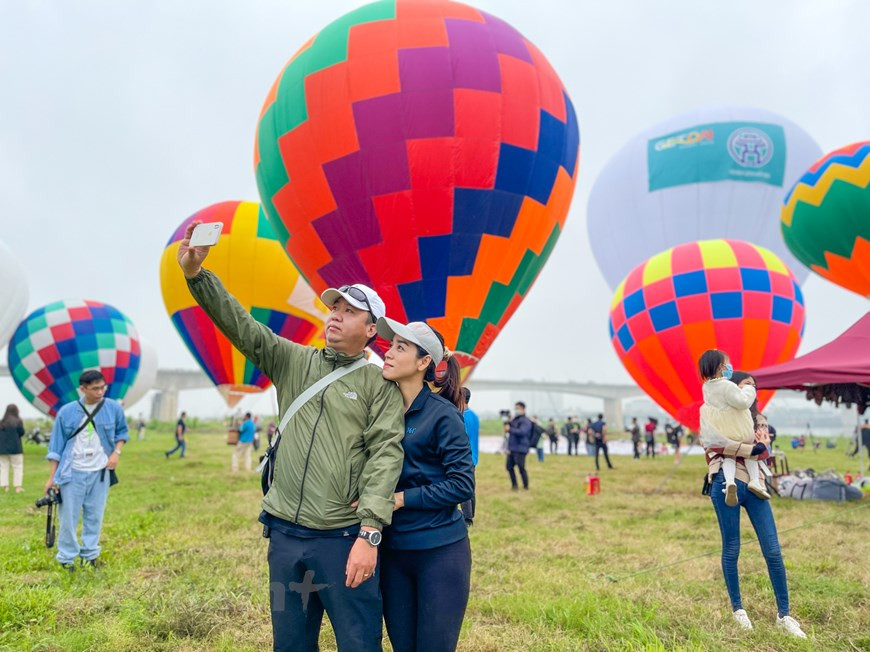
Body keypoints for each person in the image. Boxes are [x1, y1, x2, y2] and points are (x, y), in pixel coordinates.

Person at [177, 223, 404, 652]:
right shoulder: (292, 360)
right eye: (334, 307)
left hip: (341, 538)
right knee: (290, 644)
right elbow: (240, 325)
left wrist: (369, 534)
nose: (335, 314)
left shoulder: (379, 384)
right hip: (284, 535)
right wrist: (197, 276)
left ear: (373, 329)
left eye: (350, 311)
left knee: (358, 642)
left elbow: (385, 457)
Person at [376, 317, 474, 652]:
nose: (389, 353)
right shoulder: (381, 410)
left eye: (400, 347)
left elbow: (463, 484)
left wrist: (403, 499)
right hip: (391, 551)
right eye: (390, 345)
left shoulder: (443, 415)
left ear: (423, 363)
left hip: (439, 552)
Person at [702, 366, 807, 638]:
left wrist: (761, 449)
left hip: (755, 485)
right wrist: (752, 449)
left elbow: (764, 454)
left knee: (772, 549)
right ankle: (738, 610)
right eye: (745, 384)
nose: (751, 389)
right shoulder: (714, 414)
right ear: (730, 388)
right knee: (732, 548)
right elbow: (713, 446)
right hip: (726, 485)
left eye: (754, 385)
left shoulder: (758, 419)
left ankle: (784, 614)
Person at [44, 370, 128, 570]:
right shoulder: (66, 412)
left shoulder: (114, 408)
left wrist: (116, 453)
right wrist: (51, 478)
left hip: (100, 472)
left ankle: (90, 556)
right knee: (68, 518)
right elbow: (55, 447)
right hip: (72, 472)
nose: (100, 392)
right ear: (82, 389)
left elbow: (122, 432)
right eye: (95, 388)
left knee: (94, 516)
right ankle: (67, 559)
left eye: (103, 387)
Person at [698, 352, 769, 505]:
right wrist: (748, 389)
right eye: (727, 363)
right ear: (720, 367)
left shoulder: (707, 388)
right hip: (739, 431)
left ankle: (730, 481)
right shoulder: (728, 386)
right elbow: (743, 402)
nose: (729, 366)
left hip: (723, 434)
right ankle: (755, 481)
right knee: (750, 452)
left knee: (728, 458)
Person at [460, 387, 479, 526]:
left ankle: (467, 519)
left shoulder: (462, 416)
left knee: (462, 486)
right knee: (470, 487)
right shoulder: (474, 416)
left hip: (464, 456)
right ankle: (470, 515)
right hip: (473, 457)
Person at [505, 402, 532, 490]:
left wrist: (510, 429)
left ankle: (526, 486)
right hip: (512, 448)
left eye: (518, 408)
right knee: (509, 467)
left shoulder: (526, 421)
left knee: (521, 468)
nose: (516, 410)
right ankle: (514, 486)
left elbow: (522, 432)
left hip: (521, 448)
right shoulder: (515, 420)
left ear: (523, 409)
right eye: (515, 408)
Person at [0, 404, 26, 493]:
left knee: (3, 467)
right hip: (15, 448)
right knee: (17, 467)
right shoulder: (18, 421)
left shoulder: (1, 422)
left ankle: (5, 487)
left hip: (2, 449)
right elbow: (21, 433)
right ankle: (18, 488)